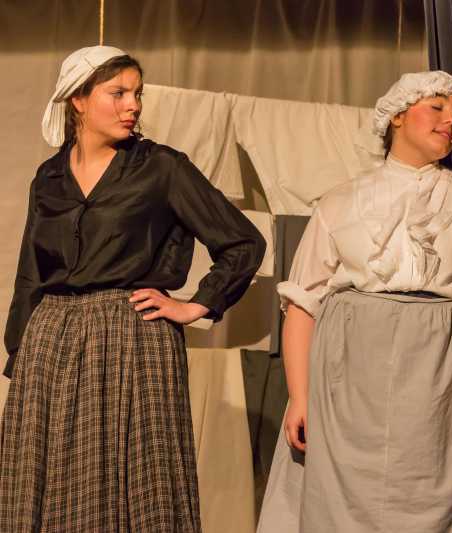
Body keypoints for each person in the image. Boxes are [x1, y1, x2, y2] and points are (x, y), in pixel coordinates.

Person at [0, 46, 266, 531]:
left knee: (138, 480)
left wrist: (197, 304)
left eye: (137, 94)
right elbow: (31, 273)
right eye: (118, 93)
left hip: (131, 337)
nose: (133, 106)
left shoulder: (160, 167)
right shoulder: (50, 178)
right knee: (54, 480)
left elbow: (243, 242)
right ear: (79, 100)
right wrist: (22, 354)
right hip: (52, 340)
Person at [257, 71, 452, 532]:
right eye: (436, 108)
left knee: (439, 491)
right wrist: (300, 397)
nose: (451, 121)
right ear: (397, 116)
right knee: (341, 495)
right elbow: (302, 304)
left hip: (440, 370)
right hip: (352, 372)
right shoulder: (341, 201)